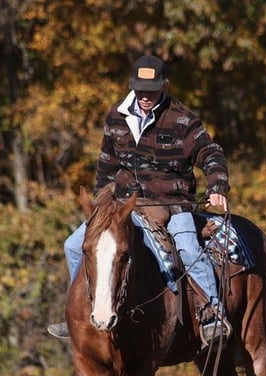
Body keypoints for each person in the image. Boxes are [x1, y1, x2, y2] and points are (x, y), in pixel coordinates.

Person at [47, 54, 231, 347]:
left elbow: (210, 152)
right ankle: (80, 312)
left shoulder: (182, 119)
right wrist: (100, 211)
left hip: (172, 204)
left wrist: (217, 183)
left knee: (187, 247)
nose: (145, 97)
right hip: (123, 206)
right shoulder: (117, 117)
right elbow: (106, 167)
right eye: (141, 90)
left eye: (152, 90)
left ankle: (212, 313)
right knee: (73, 245)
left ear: (165, 86)